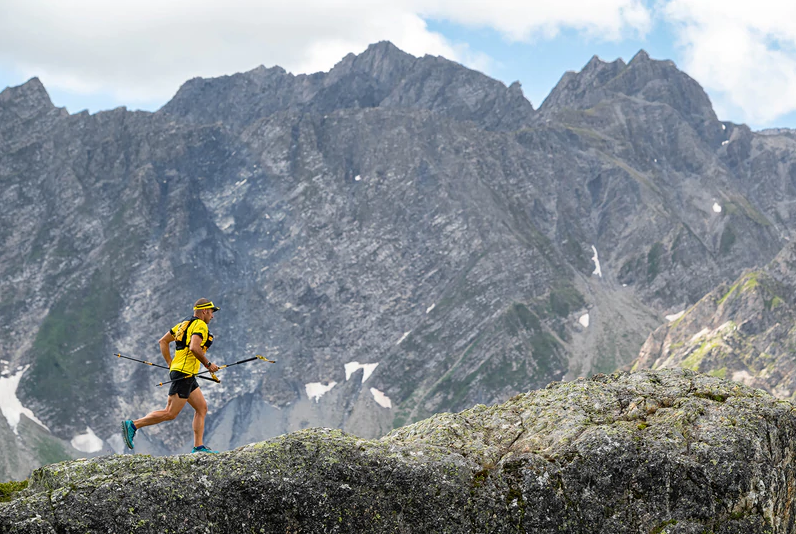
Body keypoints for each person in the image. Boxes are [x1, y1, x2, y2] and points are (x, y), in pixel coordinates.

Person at [122, 298, 221, 453]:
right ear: (204, 311)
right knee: (170, 413)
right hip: (184, 373)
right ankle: (134, 424)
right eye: (211, 312)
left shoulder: (183, 324)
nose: (212, 316)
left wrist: (170, 363)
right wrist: (208, 365)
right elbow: (195, 347)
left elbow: (163, 341)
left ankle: (198, 447)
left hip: (184, 372)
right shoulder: (200, 325)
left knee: (201, 408)